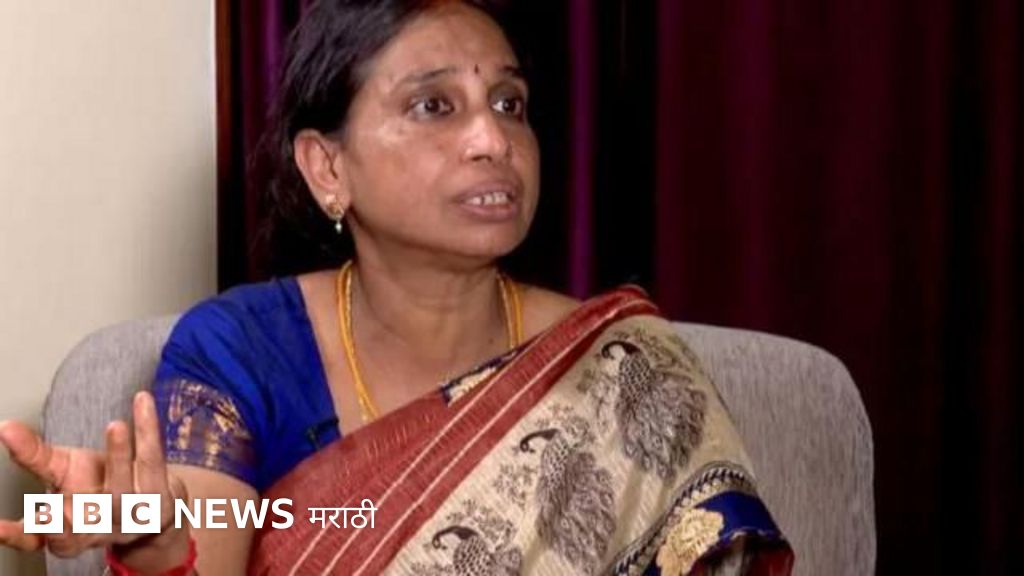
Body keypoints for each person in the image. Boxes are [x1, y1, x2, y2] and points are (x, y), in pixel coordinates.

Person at [0, 1, 794, 574]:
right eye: (434, 105)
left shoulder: (625, 364)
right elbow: (195, 539)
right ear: (327, 168)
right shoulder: (241, 351)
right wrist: (160, 542)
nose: (492, 139)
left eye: (509, 103)